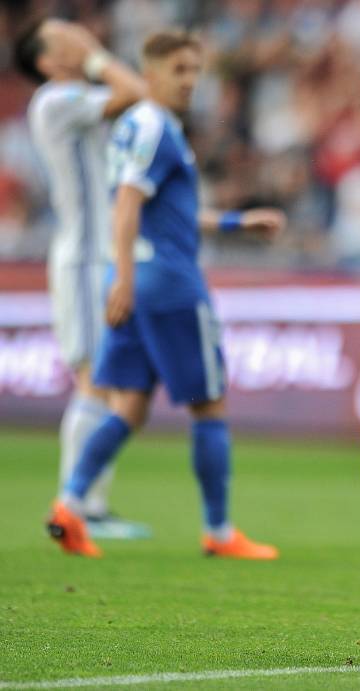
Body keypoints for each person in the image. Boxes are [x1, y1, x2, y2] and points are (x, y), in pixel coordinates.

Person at [46, 29, 286, 559]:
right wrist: (127, 279)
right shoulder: (158, 127)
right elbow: (127, 206)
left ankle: (68, 505)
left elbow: (161, 211)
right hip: (170, 285)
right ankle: (219, 531)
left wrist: (233, 222)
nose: (189, 81)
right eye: (178, 70)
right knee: (210, 405)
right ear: (150, 73)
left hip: (133, 280)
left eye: (194, 70)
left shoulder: (133, 125)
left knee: (127, 407)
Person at [14, 18, 151, 539]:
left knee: (109, 381)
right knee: (95, 379)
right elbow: (136, 91)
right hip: (82, 261)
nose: (73, 36)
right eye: (60, 37)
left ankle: (89, 503)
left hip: (102, 258)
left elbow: (140, 105)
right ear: (46, 61)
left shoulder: (77, 97)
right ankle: (79, 508)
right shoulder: (56, 98)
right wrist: (94, 54)